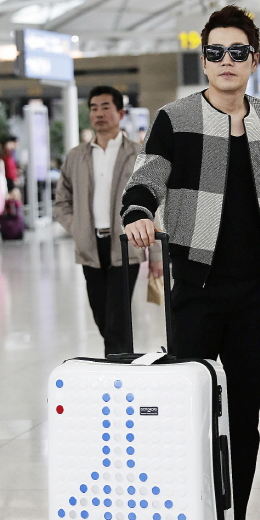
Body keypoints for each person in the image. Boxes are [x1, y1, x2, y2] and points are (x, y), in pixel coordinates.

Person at [122, 5, 260, 520]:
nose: (226, 61)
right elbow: (148, 175)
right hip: (196, 287)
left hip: (256, 292)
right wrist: (138, 212)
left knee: (245, 414)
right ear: (203, 61)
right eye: (215, 52)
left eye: (237, 52)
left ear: (254, 59)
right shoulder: (175, 118)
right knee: (189, 410)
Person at [55, 85, 162, 356]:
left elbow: (155, 205)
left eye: (105, 107)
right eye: (94, 108)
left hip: (125, 245)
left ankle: (118, 366)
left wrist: (157, 255)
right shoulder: (76, 156)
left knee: (117, 315)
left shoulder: (138, 154)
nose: (99, 114)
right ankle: (120, 359)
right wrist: (77, 228)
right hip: (90, 246)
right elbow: (62, 201)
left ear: (120, 113)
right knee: (101, 315)